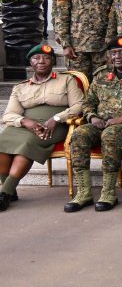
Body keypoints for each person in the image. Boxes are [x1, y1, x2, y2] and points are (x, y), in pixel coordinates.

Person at [64, 37, 122, 213]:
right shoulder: (101, 74)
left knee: (110, 135)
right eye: (113, 53)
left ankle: (108, 192)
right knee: (79, 135)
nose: (117, 56)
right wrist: (92, 116)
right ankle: (84, 193)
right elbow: (89, 102)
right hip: (100, 122)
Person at [0, 45, 83, 210]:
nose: (41, 61)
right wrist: (25, 121)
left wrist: (57, 118)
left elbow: (79, 105)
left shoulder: (67, 80)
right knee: (2, 143)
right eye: (36, 58)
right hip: (25, 125)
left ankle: (4, 193)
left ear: (53, 61)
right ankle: (8, 189)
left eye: (46, 58)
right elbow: (9, 115)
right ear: (30, 62)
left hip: (53, 126)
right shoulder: (20, 87)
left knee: (27, 145)